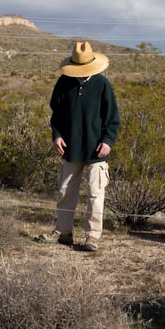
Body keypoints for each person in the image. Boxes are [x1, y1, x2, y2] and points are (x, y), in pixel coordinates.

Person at [35, 41, 120, 252]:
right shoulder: (64, 83)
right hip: (70, 149)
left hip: (96, 150)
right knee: (66, 191)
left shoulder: (102, 84)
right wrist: (57, 136)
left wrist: (107, 142)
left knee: (95, 193)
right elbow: (56, 116)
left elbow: (113, 119)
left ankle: (92, 237)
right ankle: (63, 233)